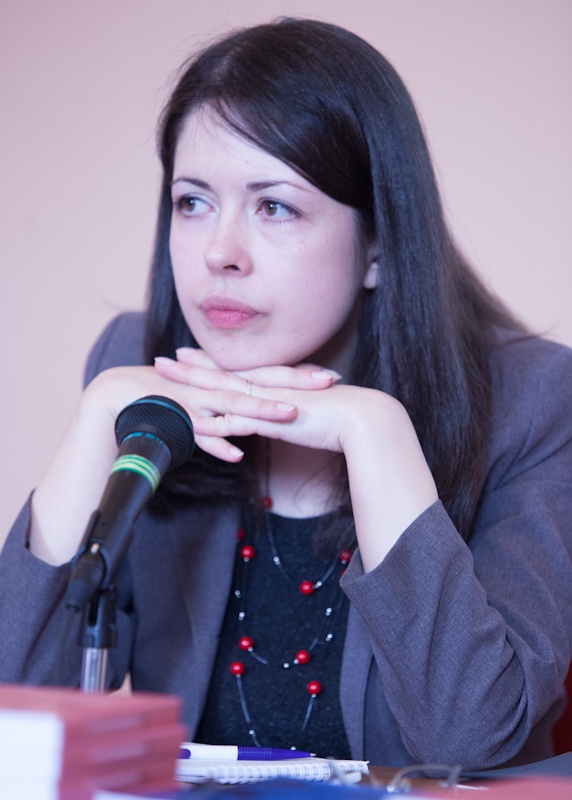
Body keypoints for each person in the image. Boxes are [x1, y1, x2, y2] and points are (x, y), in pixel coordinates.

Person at [1, 17, 571, 771]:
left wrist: (376, 433)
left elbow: (471, 742)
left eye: (274, 206)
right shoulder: (139, 373)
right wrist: (98, 414)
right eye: (193, 202)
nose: (219, 253)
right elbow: (23, 712)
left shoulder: (533, 400)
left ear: (378, 244)